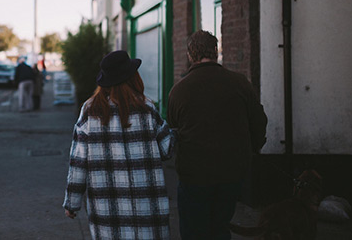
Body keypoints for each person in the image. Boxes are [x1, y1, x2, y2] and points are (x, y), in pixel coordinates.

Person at [167, 30, 268, 240]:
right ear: (215, 51)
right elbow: (259, 121)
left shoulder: (179, 91)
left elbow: (173, 128)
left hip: (194, 174)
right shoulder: (240, 83)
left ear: (190, 55)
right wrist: (253, 148)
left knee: (194, 231)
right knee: (221, 228)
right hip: (231, 172)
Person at [63, 50, 174, 239]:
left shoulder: (90, 111)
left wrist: (72, 203)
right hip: (146, 211)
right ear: (133, 78)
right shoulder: (147, 108)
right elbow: (166, 149)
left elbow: (78, 161)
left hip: (108, 214)